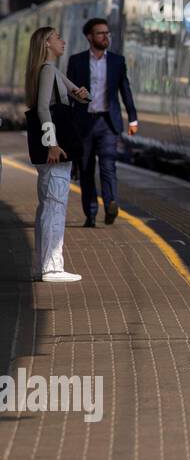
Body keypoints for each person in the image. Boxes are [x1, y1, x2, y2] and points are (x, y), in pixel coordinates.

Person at [24, 26, 90, 282]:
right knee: (54, 205)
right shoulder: (48, 70)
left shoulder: (46, 71)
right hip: (54, 149)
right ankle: (52, 267)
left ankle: (42, 266)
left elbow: (80, 96)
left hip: (48, 149)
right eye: (58, 38)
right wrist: (52, 143)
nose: (63, 41)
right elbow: (43, 108)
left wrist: (83, 95)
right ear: (46, 44)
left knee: (47, 206)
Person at [67, 17, 138, 227]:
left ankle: (110, 204)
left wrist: (133, 118)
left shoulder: (117, 61)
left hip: (108, 122)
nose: (105, 36)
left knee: (108, 165)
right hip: (84, 123)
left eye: (107, 33)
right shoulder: (76, 61)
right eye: (100, 33)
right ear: (90, 37)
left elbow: (125, 91)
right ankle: (90, 213)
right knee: (87, 169)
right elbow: (70, 94)